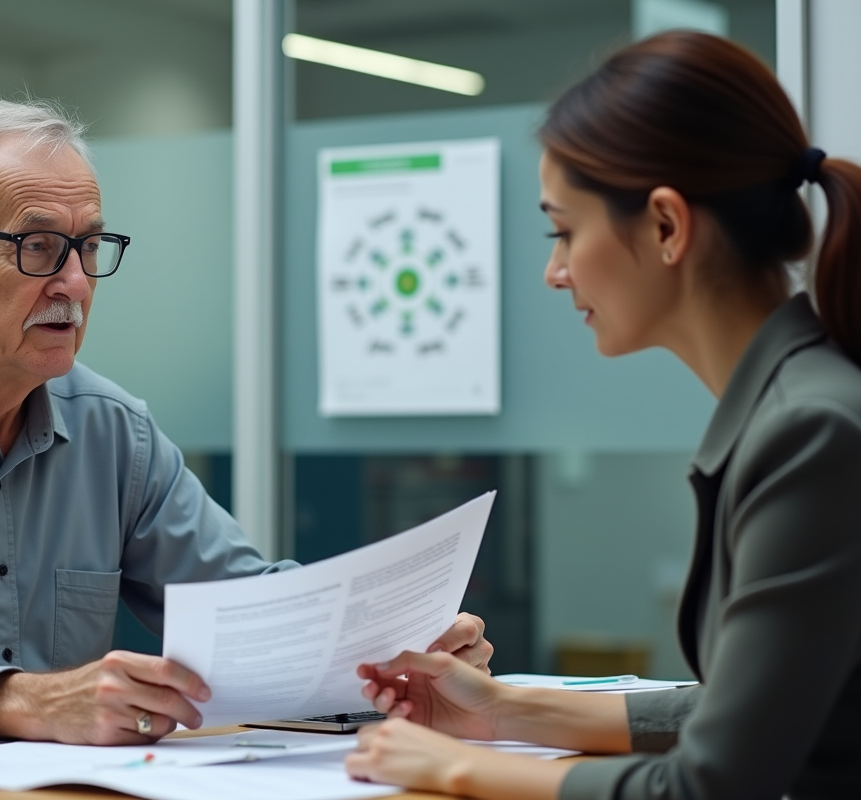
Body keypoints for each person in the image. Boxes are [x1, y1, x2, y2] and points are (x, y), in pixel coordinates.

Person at [0, 100, 494, 747]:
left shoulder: (114, 432)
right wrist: (17, 699)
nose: (74, 285)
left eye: (89, 247)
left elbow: (252, 614)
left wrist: (392, 654)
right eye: (38, 248)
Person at [344, 30, 861, 800]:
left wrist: (458, 768)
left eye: (564, 230)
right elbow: (743, 712)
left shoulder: (811, 430)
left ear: (664, 226)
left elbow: (712, 782)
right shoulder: (796, 409)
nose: (554, 272)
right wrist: (505, 711)